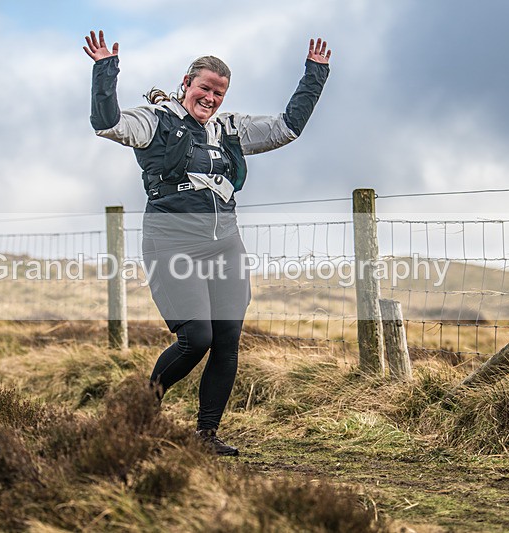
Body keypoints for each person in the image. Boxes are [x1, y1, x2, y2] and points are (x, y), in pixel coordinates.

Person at [84, 30, 330, 456]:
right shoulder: (155, 121)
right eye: (204, 88)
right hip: (171, 243)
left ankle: (206, 435)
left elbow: (287, 128)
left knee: (227, 339)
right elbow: (107, 123)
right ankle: (138, 412)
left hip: (225, 245)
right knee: (196, 338)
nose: (211, 98)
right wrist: (105, 69)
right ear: (187, 83)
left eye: (219, 92)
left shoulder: (230, 129)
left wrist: (315, 75)